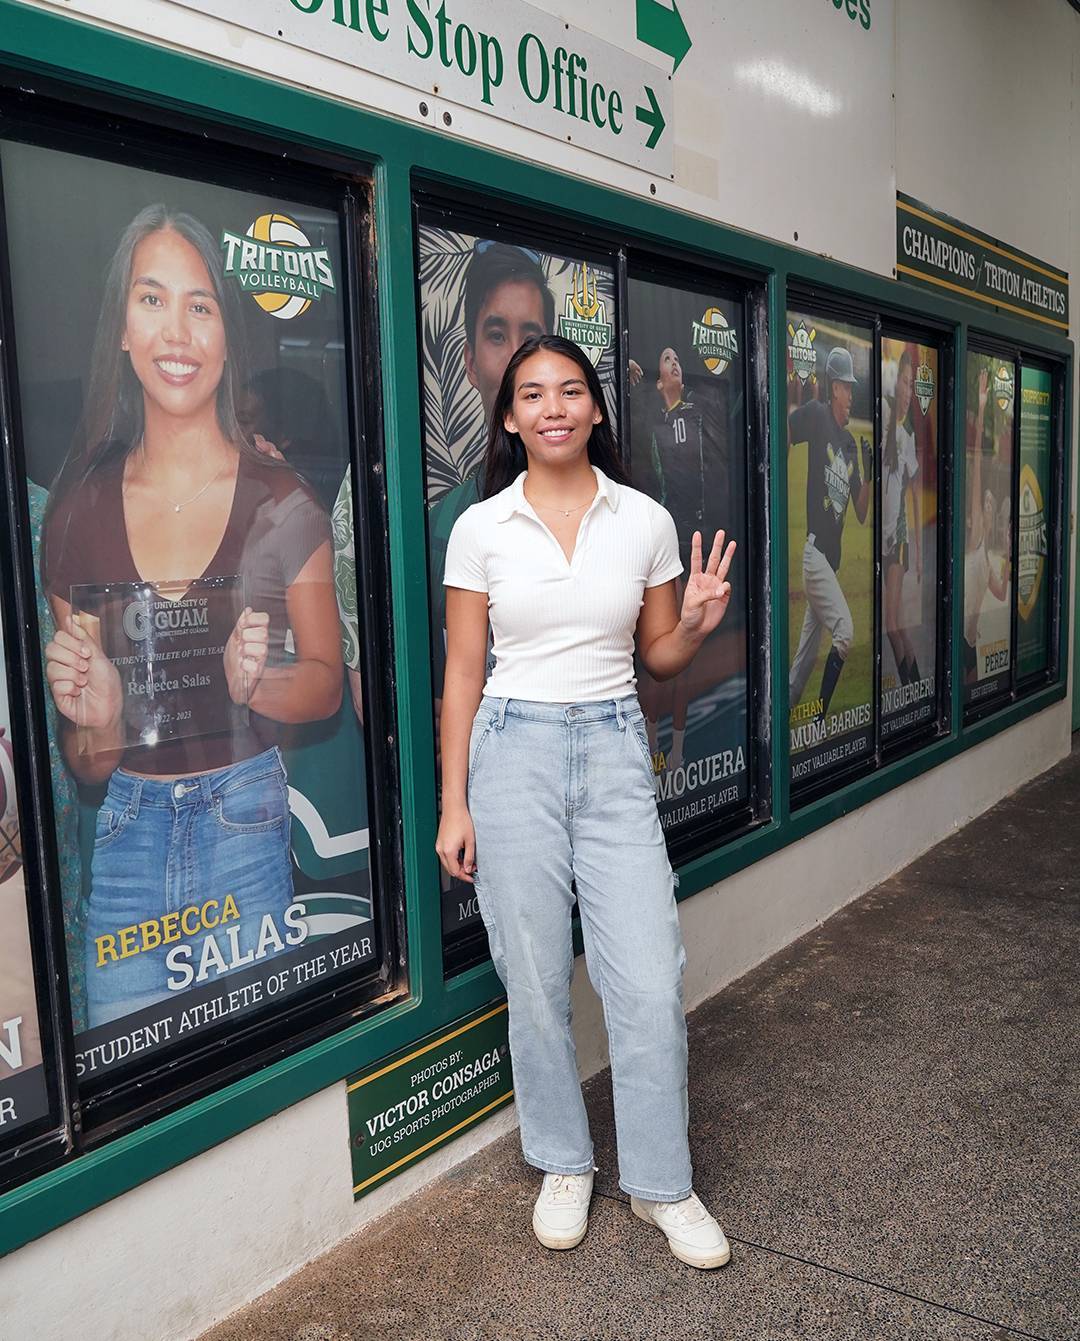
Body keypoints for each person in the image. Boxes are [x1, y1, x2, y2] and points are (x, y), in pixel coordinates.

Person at [436, 333, 736, 1269]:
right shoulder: (480, 528)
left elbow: (658, 659)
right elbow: (462, 672)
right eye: (533, 394)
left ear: (598, 409)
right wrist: (456, 804)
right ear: (512, 416)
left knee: (648, 976)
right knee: (533, 981)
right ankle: (564, 1160)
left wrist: (688, 623)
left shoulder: (641, 518)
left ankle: (661, 1183)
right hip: (511, 748)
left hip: (611, 745)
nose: (554, 407)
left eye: (571, 391)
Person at [41, 204, 342, 1027]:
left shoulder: (281, 501)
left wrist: (263, 684)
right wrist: (98, 720)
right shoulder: (77, 513)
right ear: (124, 330)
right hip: (129, 838)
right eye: (152, 299)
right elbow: (85, 765)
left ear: (227, 335)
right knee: (137, 1101)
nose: (177, 331)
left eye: (200, 305)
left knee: (260, 1091)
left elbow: (326, 686)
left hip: (246, 822)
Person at [788, 346, 872, 721]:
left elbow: (861, 512)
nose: (851, 395)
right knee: (846, 634)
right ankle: (820, 718)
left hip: (830, 565)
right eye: (846, 387)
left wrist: (867, 474)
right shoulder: (819, 416)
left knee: (805, 659)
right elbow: (785, 431)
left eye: (851, 388)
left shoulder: (851, 446)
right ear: (832, 387)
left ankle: (783, 713)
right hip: (815, 554)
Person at [963, 367, 1009, 683]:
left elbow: (1002, 594)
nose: (988, 503)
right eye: (985, 502)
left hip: (971, 642)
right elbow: (977, 461)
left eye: (991, 502)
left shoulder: (990, 562)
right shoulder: (977, 533)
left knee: (973, 696)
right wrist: (981, 404)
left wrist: (1008, 552)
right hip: (961, 637)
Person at [882, 349, 923, 687]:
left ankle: (910, 689)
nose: (910, 392)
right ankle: (918, 686)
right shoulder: (885, 424)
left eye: (912, 385)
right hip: (882, 540)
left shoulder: (907, 437)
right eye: (905, 383)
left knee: (891, 622)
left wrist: (920, 555)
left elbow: (914, 499)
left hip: (898, 540)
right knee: (898, 626)